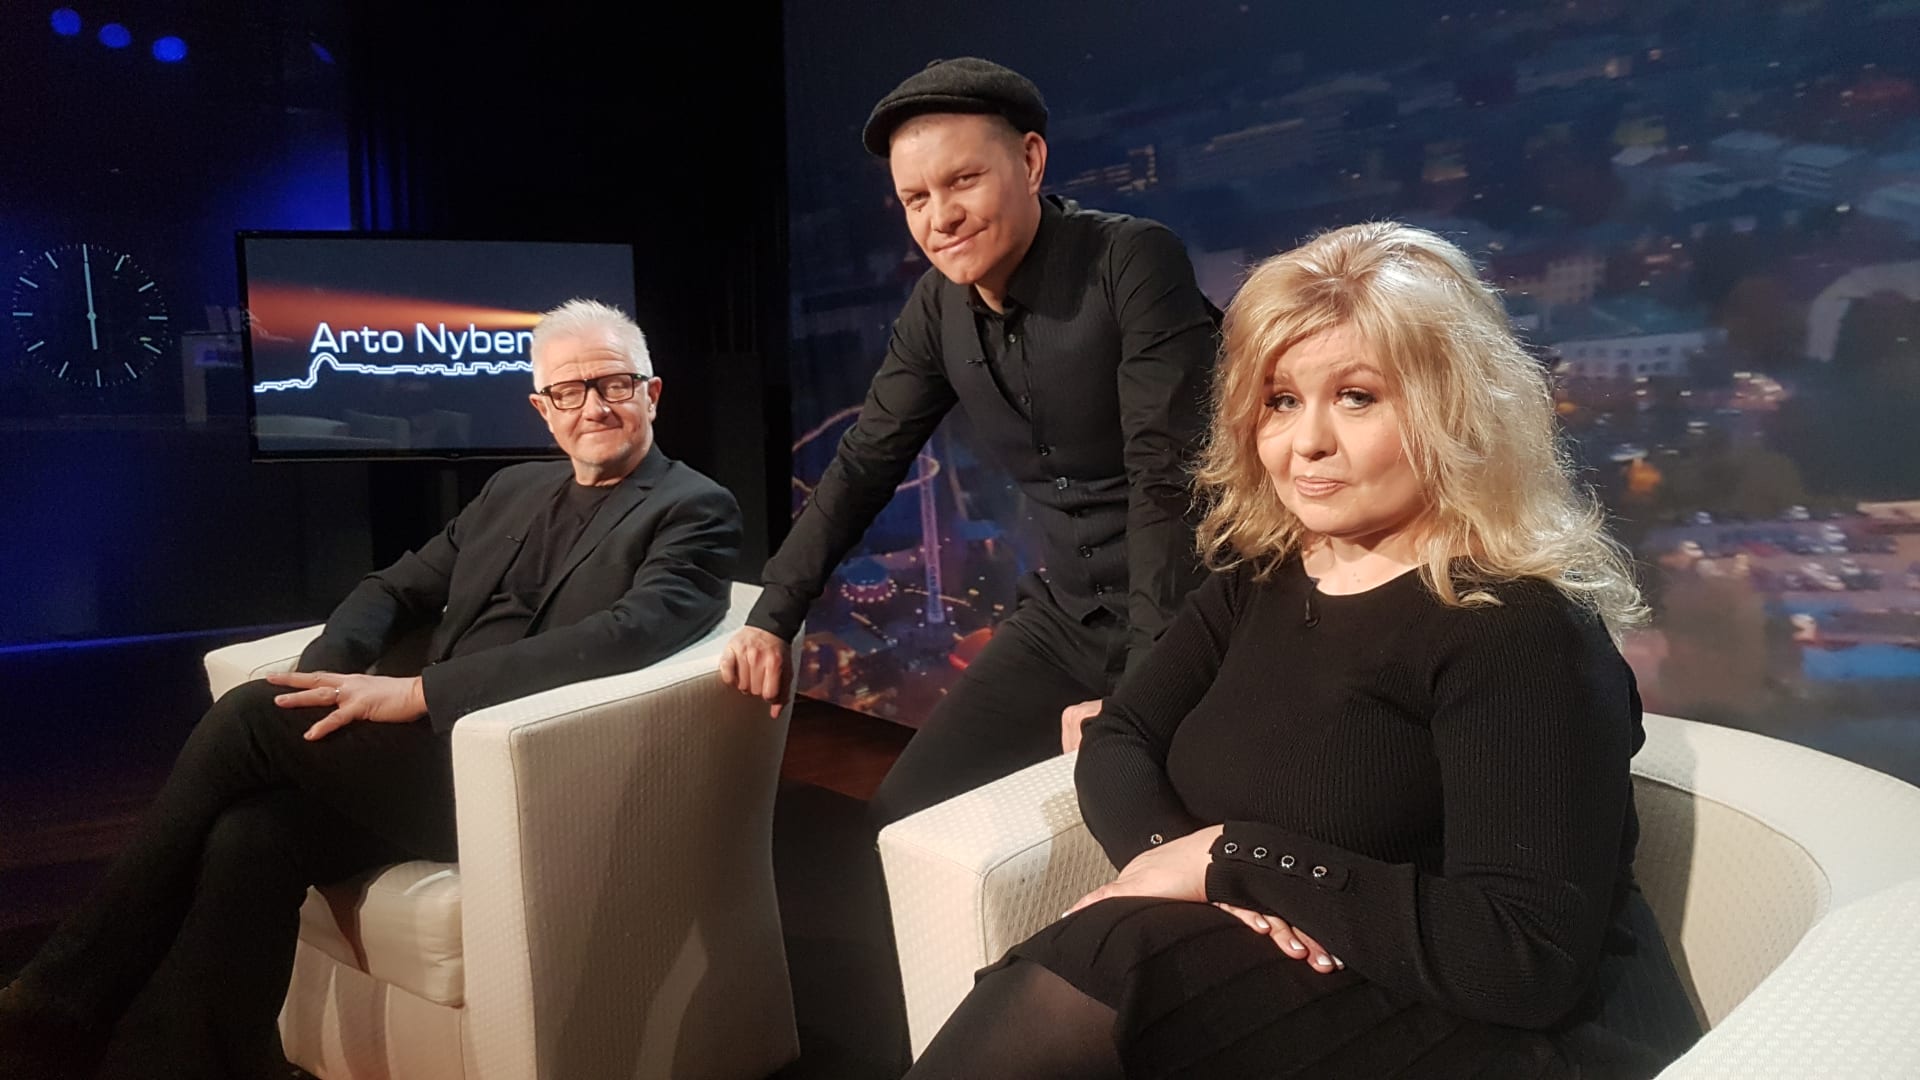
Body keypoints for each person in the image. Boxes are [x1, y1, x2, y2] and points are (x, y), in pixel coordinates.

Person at [903, 223, 1704, 1079]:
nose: (1306, 442)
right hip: (1312, 971)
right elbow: (1118, 737)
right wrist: (1190, 869)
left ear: (1451, 410)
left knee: (1112, 956)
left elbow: (1523, 959)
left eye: (1357, 397)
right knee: (1115, 948)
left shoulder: (1517, 627)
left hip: (1499, 1032)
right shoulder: (1264, 579)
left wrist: (1234, 861)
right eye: (1281, 400)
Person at [0, 298, 743, 1079]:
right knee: (249, 836)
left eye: (614, 384)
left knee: (253, 716)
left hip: (523, 775)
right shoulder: (513, 490)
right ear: (542, 409)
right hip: (420, 764)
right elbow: (392, 588)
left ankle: (60, 1003)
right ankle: (215, 1062)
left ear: (651, 393)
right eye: (569, 390)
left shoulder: (692, 508)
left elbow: (627, 634)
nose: (593, 407)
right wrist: (329, 670)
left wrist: (420, 693)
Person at [719, 57, 1221, 827]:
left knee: (1140, 817)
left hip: (1193, 616)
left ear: (1030, 160)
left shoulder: (1130, 259)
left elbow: (1168, 477)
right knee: (901, 820)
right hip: (1064, 618)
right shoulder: (936, 307)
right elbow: (865, 462)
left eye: (963, 181)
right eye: (916, 199)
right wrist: (772, 616)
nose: (940, 218)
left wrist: (1143, 695)